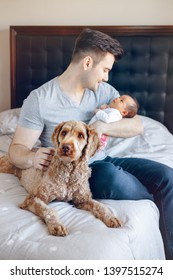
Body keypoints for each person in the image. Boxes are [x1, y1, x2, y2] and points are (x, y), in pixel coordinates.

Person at [8, 28, 173, 259]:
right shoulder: (40, 99)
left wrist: (102, 128)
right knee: (112, 176)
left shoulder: (104, 92)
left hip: (107, 159)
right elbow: (16, 150)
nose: (106, 77)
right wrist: (31, 157)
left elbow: (137, 126)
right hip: (78, 171)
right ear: (87, 62)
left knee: (168, 176)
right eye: (105, 70)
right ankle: (158, 198)